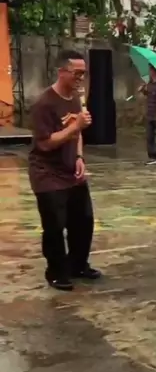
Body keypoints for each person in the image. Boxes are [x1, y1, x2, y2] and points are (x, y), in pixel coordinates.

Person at [28, 49, 101, 292]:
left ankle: (78, 265)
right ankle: (56, 272)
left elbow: (77, 135)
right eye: (76, 73)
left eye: (83, 73)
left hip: (71, 170)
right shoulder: (44, 103)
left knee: (84, 221)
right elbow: (46, 143)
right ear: (61, 72)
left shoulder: (76, 98)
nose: (80, 78)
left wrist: (79, 157)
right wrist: (76, 126)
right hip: (47, 173)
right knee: (55, 226)